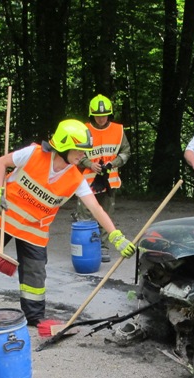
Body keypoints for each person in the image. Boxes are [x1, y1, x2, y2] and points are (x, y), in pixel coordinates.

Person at [0, 119, 136, 325]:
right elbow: (1, 163)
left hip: (34, 228)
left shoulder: (76, 179)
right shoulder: (33, 154)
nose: (84, 155)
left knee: (35, 273)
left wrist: (116, 236)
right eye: (79, 150)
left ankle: (34, 317)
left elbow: (96, 208)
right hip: (4, 214)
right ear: (63, 147)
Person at [75, 94, 131, 262]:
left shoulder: (118, 130)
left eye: (104, 115)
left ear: (109, 114)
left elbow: (126, 152)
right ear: (92, 115)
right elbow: (76, 152)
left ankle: (104, 247)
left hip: (109, 180)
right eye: (98, 116)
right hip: (88, 180)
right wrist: (88, 163)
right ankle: (86, 245)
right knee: (85, 213)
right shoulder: (84, 130)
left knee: (106, 213)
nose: (101, 119)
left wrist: (114, 163)